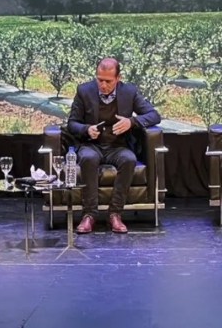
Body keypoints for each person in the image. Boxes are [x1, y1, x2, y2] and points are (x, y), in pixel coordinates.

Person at [67, 58, 161, 234]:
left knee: (129, 159)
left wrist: (131, 121)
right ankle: (89, 215)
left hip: (117, 146)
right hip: (91, 145)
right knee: (88, 158)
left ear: (118, 78)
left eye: (108, 81)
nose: (103, 85)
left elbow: (154, 115)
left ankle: (115, 214)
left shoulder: (129, 92)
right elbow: (72, 123)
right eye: (99, 80)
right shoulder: (84, 91)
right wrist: (87, 129)